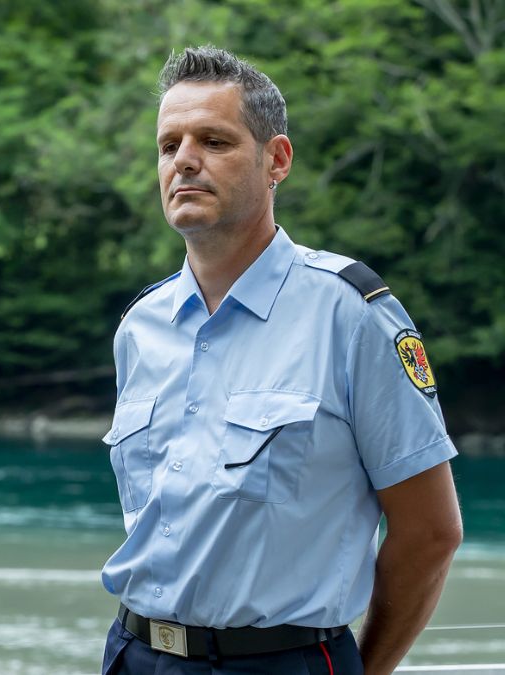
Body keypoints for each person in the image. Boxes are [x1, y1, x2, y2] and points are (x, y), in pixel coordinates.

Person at [99, 46, 462, 674]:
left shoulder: (351, 315)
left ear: (278, 160)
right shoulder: (141, 326)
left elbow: (431, 532)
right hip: (134, 654)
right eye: (169, 145)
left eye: (214, 141)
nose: (184, 160)